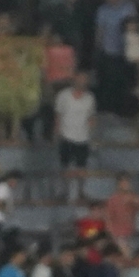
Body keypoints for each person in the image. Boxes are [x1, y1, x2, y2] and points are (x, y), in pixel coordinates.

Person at [55, 72, 96, 201]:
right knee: (65, 166)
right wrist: (57, 133)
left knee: (82, 167)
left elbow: (91, 117)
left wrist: (92, 131)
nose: (82, 82)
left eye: (84, 80)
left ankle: (81, 192)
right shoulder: (63, 96)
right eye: (80, 79)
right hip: (66, 135)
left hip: (83, 137)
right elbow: (58, 115)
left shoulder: (90, 98)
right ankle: (64, 191)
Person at [104, 173, 139, 252]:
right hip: (118, 234)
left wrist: (136, 200)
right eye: (123, 182)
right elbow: (108, 217)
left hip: (131, 233)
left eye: (127, 182)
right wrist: (112, 235)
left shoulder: (133, 197)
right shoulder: (113, 199)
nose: (126, 184)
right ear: (119, 184)